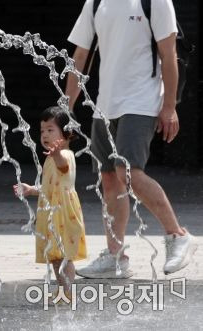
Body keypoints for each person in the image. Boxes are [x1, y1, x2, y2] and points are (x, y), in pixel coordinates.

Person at [65, 0, 197, 278]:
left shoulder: (155, 2)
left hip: (141, 101)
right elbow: (80, 56)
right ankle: (116, 256)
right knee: (110, 178)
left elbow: (168, 53)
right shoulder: (96, 3)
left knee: (129, 173)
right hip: (105, 104)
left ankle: (178, 235)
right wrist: (66, 108)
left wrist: (170, 107)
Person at [14, 106, 87, 300]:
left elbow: (63, 166)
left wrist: (56, 155)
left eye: (50, 130)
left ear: (68, 133)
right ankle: (63, 289)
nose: (44, 135)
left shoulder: (66, 156)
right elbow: (49, 189)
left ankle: (69, 291)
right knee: (55, 256)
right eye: (42, 131)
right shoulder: (50, 159)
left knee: (63, 256)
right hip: (52, 213)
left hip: (64, 214)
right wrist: (32, 189)